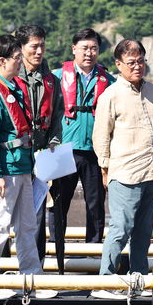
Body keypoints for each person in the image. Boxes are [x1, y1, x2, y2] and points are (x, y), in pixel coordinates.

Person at [0, 25, 62, 273]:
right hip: (6, 169)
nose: (20, 62)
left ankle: (31, 274)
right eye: (16, 58)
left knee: (28, 225)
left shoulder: (13, 89)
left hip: (23, 166)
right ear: (2, 61)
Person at [91, 39, 153, 299]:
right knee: (120, 229)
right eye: (131, 62)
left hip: (150, 173)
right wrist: (104, 167)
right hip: (124, 173)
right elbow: (100, 135)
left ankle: (138, 279)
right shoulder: (111, 95)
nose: (137, 66)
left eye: (141, 61)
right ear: (118, 65)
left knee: (143, 231)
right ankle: (105, 280)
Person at [51, 29, 115, 248]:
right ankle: (55, 247)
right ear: (74, 49)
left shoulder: (109, 80)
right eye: (84, 48)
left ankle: (93, 252)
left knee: (96, 205)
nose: (89, 53)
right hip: (60, 149)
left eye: (94, 48)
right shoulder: (56, 77)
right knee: (57, 203)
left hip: (94, 151)